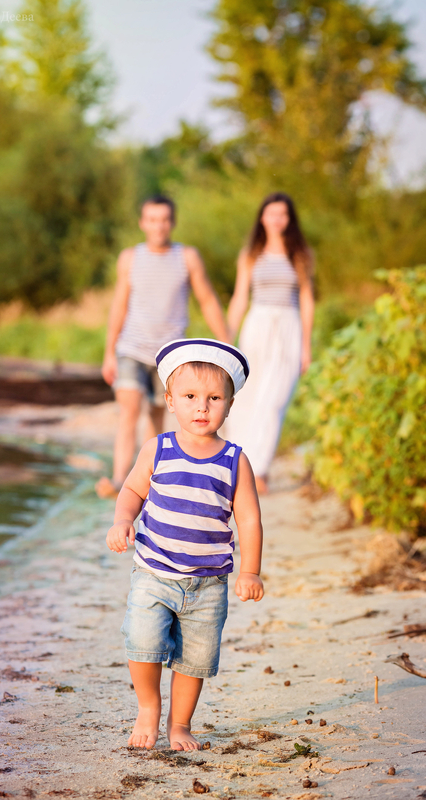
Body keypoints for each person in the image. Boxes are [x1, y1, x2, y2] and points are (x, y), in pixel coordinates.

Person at [106, 338, 264, 751]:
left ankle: (179, 724)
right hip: (154, 573)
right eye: (190, 396)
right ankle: (148, 707)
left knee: (195, 659)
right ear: (170, 401)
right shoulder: (158, 449)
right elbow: (132, 490)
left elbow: (249, 519)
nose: (202, 407)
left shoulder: (235, 460)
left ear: (229, 404)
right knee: (142, 642)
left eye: (214, 398)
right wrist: (123, 520)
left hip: (208, 583)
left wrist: (250, 570)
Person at [97, 196, 230, 498]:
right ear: (143, 223)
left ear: (173, 222)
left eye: (164, 220)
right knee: (129, 409)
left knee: (158, 414)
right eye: (153, 220)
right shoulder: (130, 258)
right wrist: (109, 352)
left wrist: (225, 341)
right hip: (131, 348)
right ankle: (119, 480)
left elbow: (207, 299)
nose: (159, 226)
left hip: (170, 354)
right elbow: (119, 305)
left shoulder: (188, 257)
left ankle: (149, 478)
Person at [226, 192, 314, 495]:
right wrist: (227, 337)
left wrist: (306, 345)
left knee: (275, 399)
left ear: (289, 219)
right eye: (271, 213)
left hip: (289, 326)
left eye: (282, 214)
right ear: (262, 217)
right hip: (257, 325)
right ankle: (238, 465)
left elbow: (307, 298)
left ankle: (260, 469)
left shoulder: (300, 254)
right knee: (248, 397)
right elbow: (240, 297)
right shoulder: (251, 254)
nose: (276, 219)